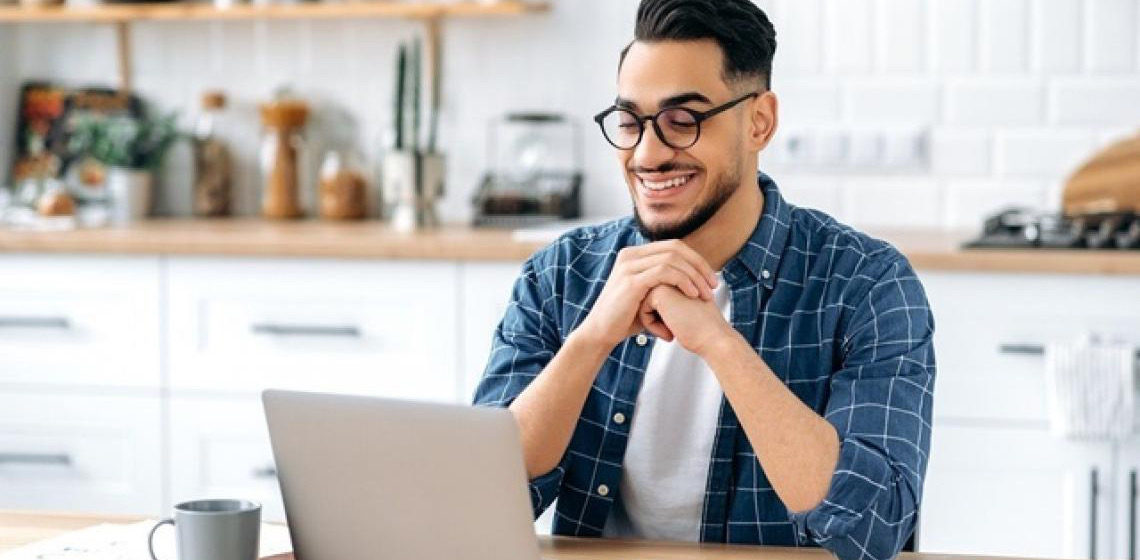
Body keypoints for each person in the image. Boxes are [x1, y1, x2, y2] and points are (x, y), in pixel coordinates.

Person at [473, 1, 935, 559]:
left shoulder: (865, 284)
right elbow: (484, 497)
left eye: (683, 120)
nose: (648, 154)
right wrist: (591, 339)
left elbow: (870, 529)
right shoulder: (560, 276)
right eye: (630, 122)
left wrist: (719, 343)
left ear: (759, 122)